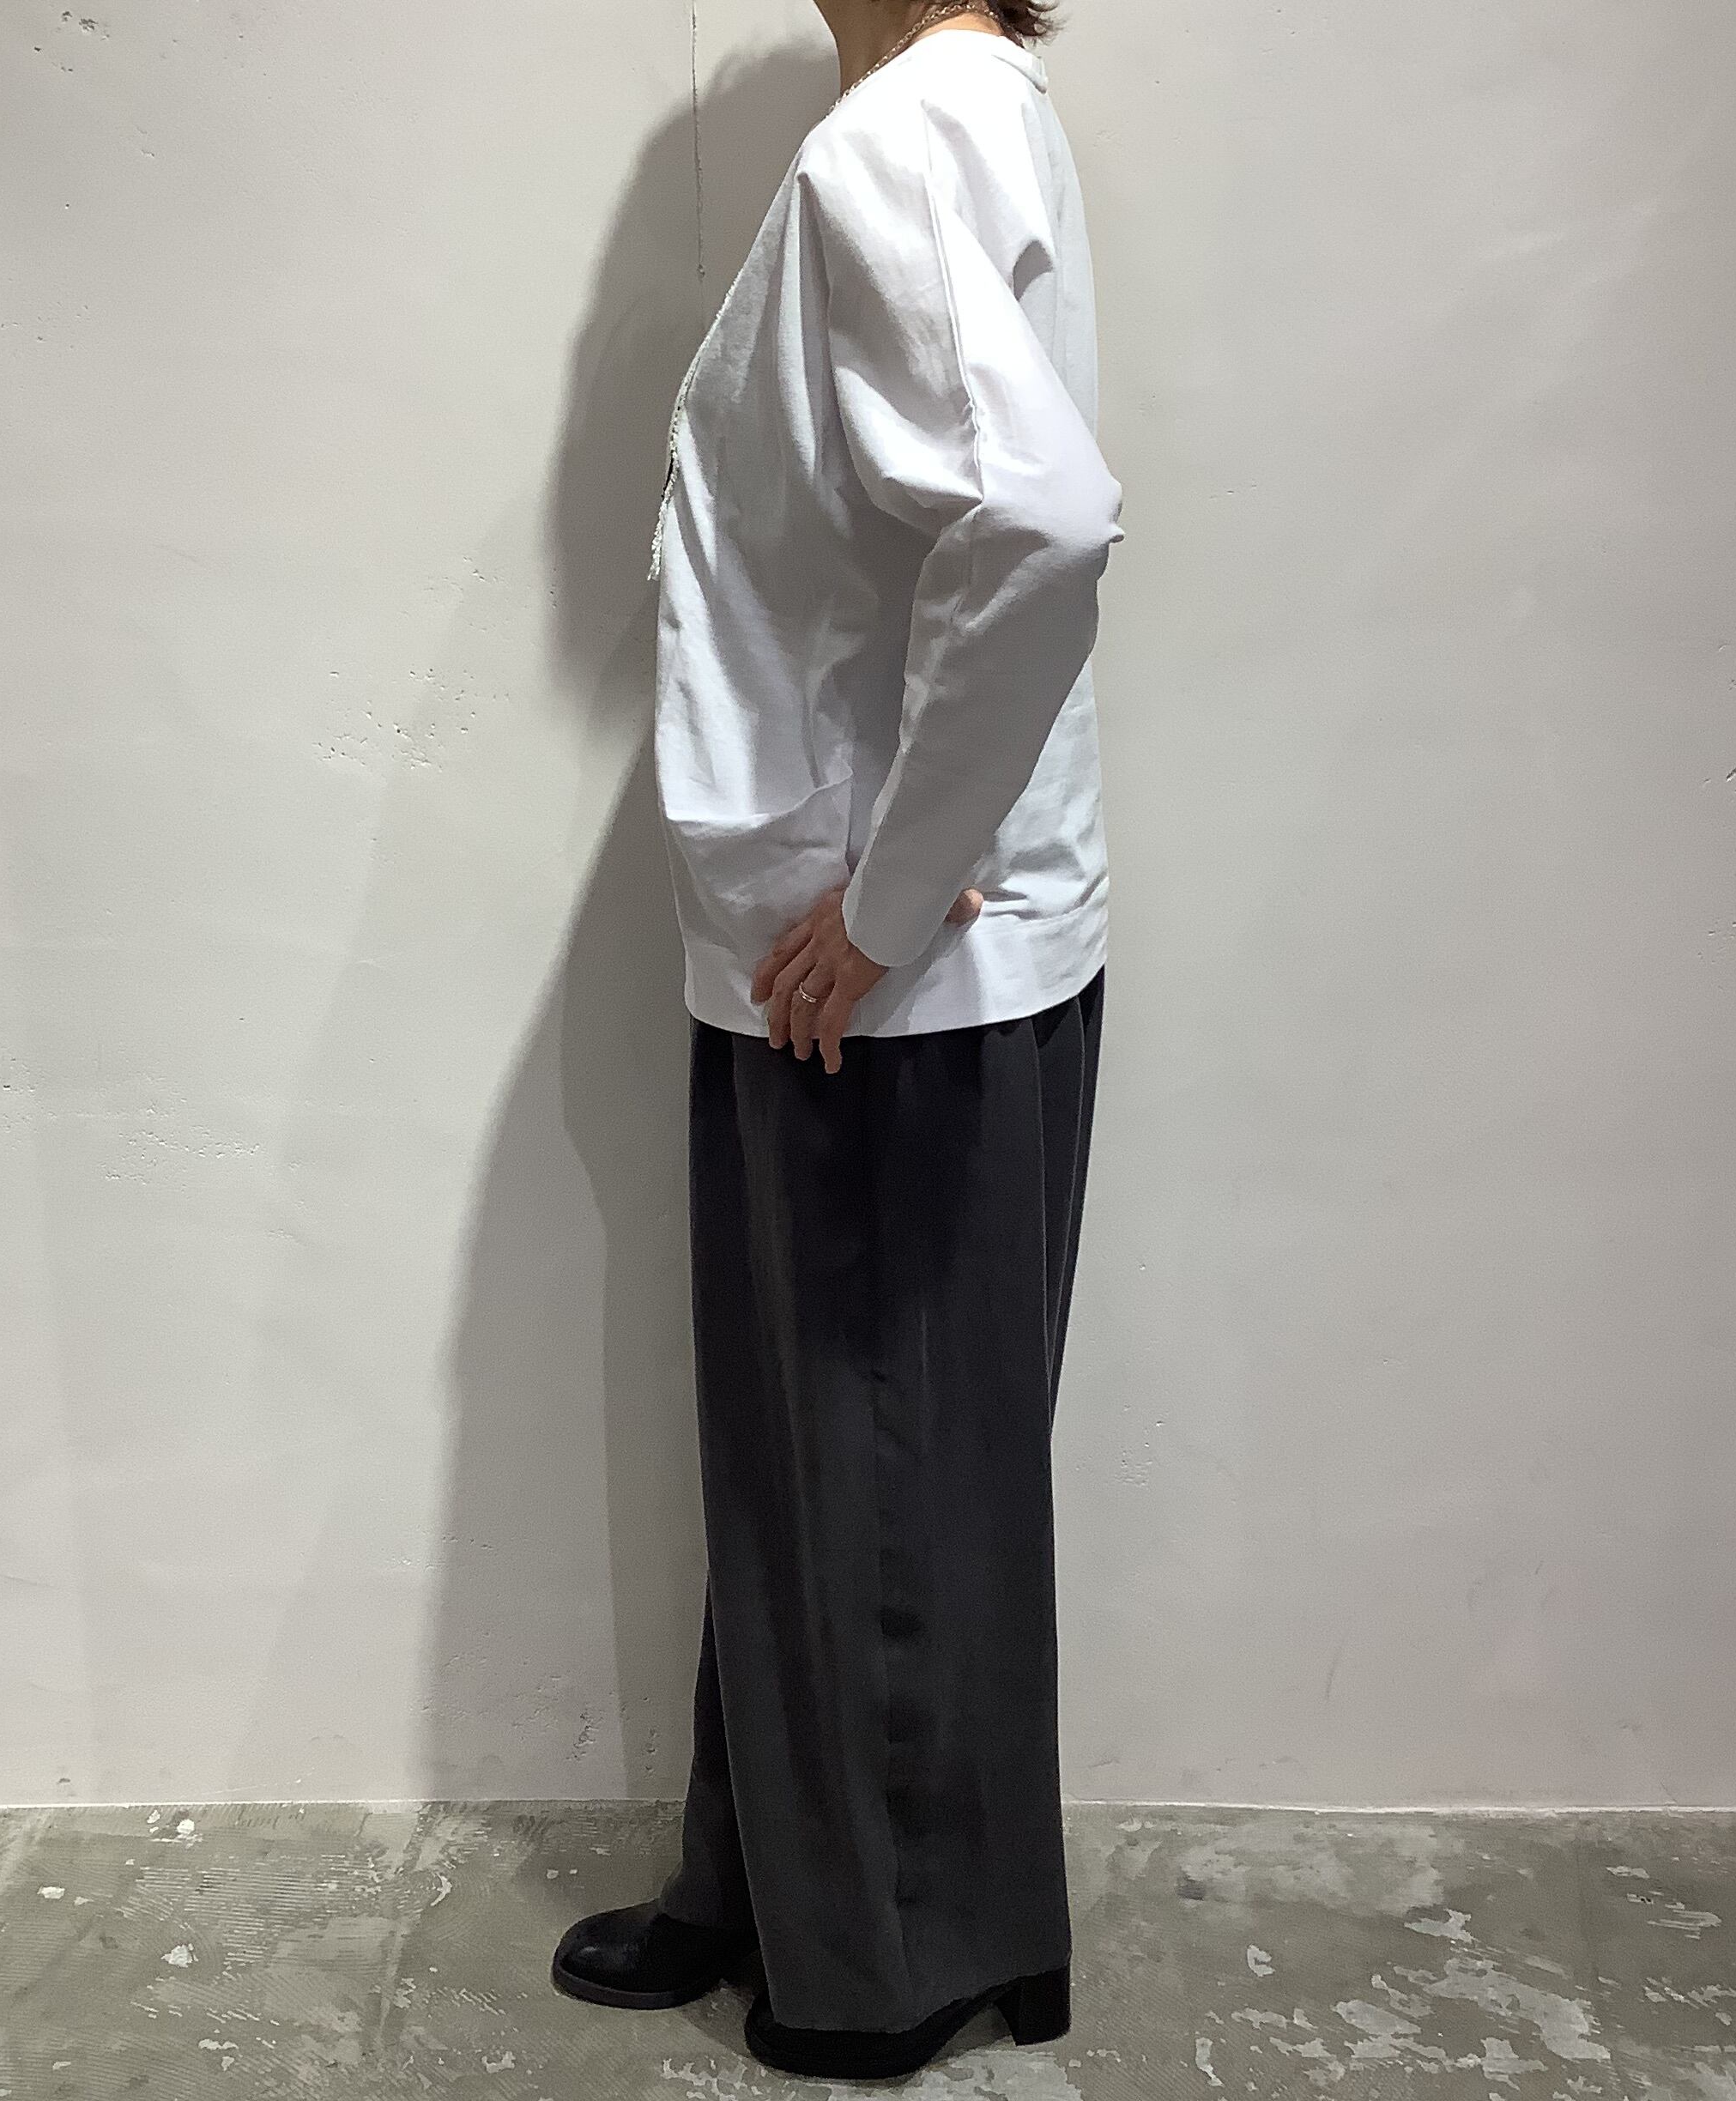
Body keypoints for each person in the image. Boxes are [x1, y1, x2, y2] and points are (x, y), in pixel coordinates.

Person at [553, 0, 1124, 2080]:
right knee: (841, 1462)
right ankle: (790, 1882)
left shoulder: (904, 138)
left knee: (869, 1469)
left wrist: (889, 896)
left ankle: (889, 1963)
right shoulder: (979, 117)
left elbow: (1039, 522)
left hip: (874, 992)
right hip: (886, 967)